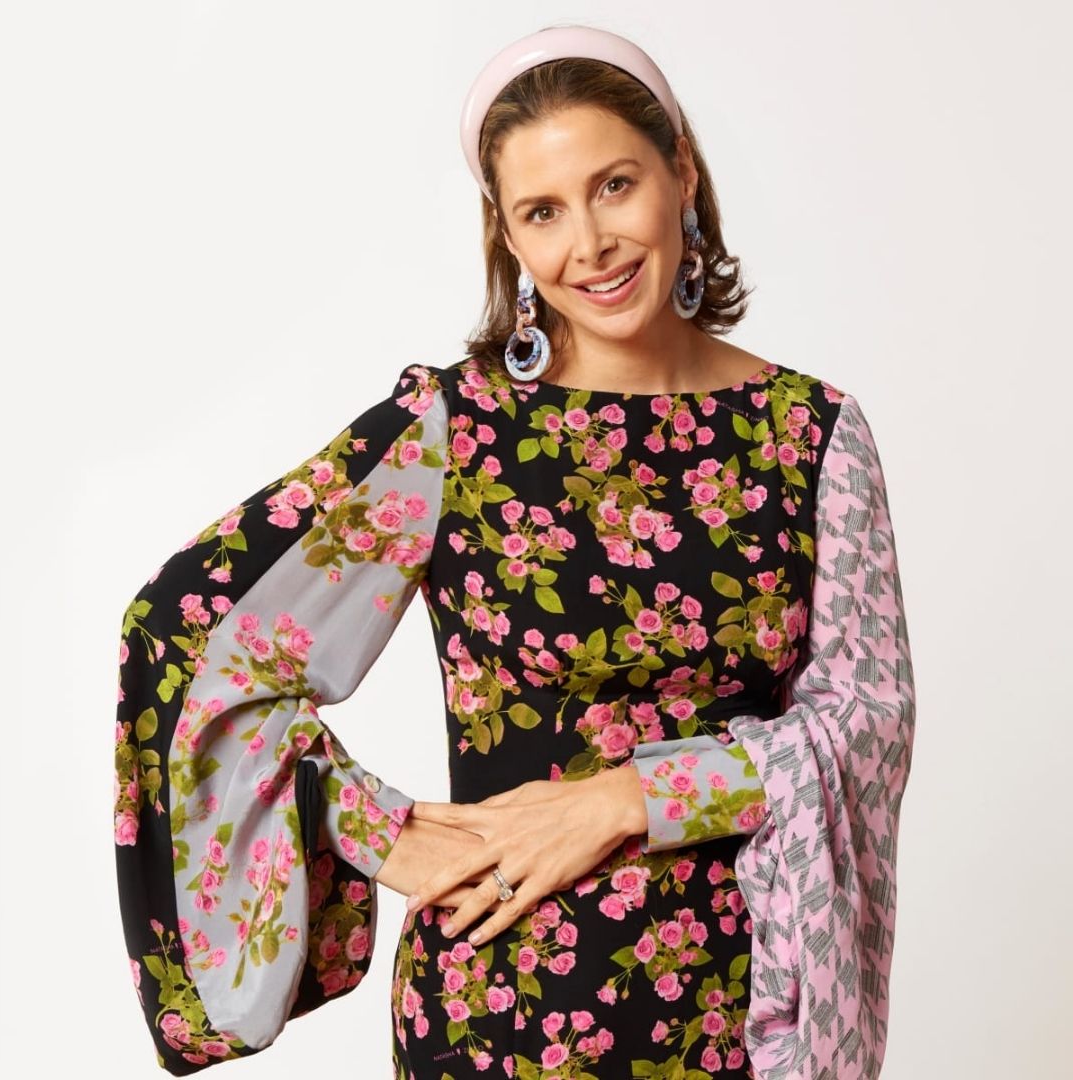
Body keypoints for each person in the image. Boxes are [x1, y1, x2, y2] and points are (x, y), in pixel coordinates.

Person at [112, 23, 916, 1080]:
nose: (591, 244)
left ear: (680, 171)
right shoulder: (457, 433)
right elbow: (185, 631)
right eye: (544, 211)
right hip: (495, 1011)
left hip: (750, 1013)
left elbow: (866, 720)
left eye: (614, 186)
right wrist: (378, 827)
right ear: (506, 233)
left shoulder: (812, 433)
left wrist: (628, 798)